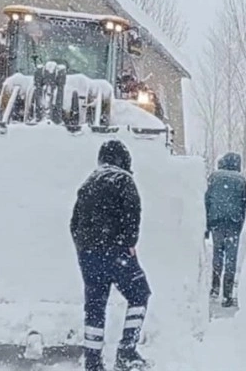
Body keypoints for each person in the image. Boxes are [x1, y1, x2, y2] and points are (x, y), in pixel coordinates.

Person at [70, 139, 151, 371]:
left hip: (88, 255)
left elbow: (74, 223)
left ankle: (93, 362)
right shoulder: (123, 179)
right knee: (139, 293)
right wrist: (129, 243)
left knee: (95, 305)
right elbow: (132, 212)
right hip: (115, 250)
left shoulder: (88, 183)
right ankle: (127, 351)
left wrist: (84, 249)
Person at [204, 152, 246, 308]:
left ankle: (215, 287)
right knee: (231, 258)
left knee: (218, 253)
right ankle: (227, 294)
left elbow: (207, 199)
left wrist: (207, 225)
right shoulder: (241, 179)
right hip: (233, 223)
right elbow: (245, 202)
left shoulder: (214, 177)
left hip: (217, 222)